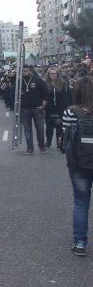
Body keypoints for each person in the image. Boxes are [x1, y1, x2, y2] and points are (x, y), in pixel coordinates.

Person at [61, 76, 93, 256]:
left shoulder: (70, 112)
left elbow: (66, 137)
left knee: (81, 202)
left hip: (79, 164)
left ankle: (80, 243)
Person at [20, 65, 49, 155]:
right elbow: (14, 92)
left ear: (30, 71)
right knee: (27, 130)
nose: (24, 72)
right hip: (25, 109)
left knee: (40, 129)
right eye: (23, 71)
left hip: (37, 108)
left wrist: (43, 105)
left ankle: (41, 146)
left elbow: (45, 92)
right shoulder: (20, 81)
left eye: (26, 71)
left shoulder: (38, 80)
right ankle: (30, 148)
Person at [46, 67, 71, 151]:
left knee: (59, 127)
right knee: (49, 127)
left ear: (57, 74)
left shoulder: (63, 83)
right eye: (51, 73)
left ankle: (59, 144)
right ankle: (48, 142)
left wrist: (68, 107)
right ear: (48, 75)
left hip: (60, 108)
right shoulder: (46, 83)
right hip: (49, 109)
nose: (52, 75)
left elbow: (67, 96)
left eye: (54, 73)